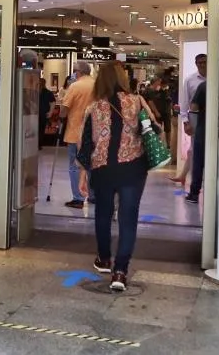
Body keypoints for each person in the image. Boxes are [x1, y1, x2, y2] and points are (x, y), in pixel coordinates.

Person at [76, 62, 158, 292]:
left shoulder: (94, 107)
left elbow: (85, 146)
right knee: (128, 218)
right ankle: (120, 271)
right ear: (123, 78)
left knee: (103, 214)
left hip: (103, 169)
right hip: (133, 168)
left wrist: (83, 174)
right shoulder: (138, 102)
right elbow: (154, 129)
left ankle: (104, 259)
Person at [60, 61, 95, 208]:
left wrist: (62, 117)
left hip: (75, 132)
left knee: (75, 165)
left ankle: (78, 198)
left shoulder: (75, 86)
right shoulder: (97, 85)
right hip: (95, 132)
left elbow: (64, 108)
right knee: (92, 164)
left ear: (78, 72)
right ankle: (93, 195)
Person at [172, 54, 207, 185]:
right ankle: (195, 180)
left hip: (212, 116)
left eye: (204, 62)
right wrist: (186, 122)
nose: (202, 65)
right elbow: (184, 103)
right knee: (195, 147)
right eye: (200, 63)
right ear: (196, 64)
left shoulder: (217, 77)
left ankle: (185, 176)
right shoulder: (190, 80)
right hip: (195, 117)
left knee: (199, 148)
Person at [186, 80, 207, 204]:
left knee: (198, 162)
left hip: (204, 128)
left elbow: (193, 107)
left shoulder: (204, 86)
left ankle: (194, 193)